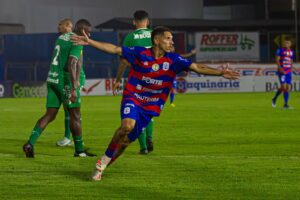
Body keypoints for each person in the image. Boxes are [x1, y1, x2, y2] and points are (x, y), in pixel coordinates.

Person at [71, 26, 239, 181]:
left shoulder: (174, 59)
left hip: (151, 106)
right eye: (168, 38)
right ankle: (102, 162)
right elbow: (115, 49)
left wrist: (221, 72)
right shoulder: (140, 53)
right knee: (127, 126)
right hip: (134, 96)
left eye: (171, 39)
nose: (171, 41)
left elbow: (197, 67)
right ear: (156, 40)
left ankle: (104, 164)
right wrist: (89, 41)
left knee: (127, 141)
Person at [23, 19, 96, 158]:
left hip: (52, 79)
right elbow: (72, 62)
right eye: (88, 32)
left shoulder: (61, 37)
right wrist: (74, 86)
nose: (89, 36)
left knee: (49, 114)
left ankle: (30, 143)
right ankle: (79, 150)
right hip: (64, 81)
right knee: (75, 115)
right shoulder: (77, 40)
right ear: (82, 31)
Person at [113, 10, 154, 155]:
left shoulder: (130, 37)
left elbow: (124, 62)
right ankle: (149, 137)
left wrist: (118, 80)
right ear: (147, 21)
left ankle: (143, 147)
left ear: (134, 22)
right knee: (148, 110)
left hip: (139, 79)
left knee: (137, 113)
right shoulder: (156, 35)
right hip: (156, 78)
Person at [55, 19, 87, 147]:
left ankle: (71, 138)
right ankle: (69, 137)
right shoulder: (69, 39)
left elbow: (78, 62)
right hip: (70, 78)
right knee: (69, 108)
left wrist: (76, 81)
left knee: (72, 108)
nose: (58, 27)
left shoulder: (75, 39)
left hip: (74, 78)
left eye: (60, 25)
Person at [272, 37, 294, 109]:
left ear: (290, 44)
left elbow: (291, 60)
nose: (286, 44)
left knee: (287, 87)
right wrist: (280, 68)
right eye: (285, 42)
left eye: (288, 43)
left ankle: (275, 98)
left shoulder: (291, 51)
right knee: (284, 87)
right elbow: (277, 60)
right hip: (282, 71)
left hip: (288, 71)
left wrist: (291, 68)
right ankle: (285, 104)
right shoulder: (280, 50)